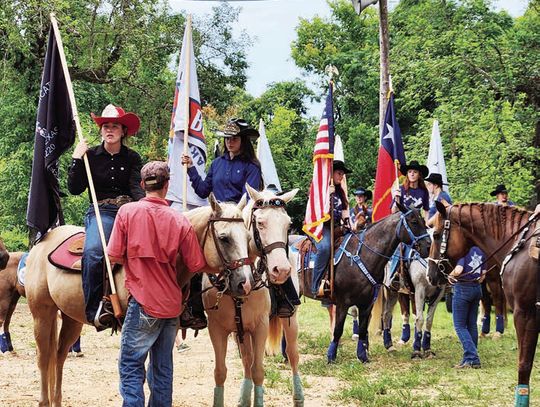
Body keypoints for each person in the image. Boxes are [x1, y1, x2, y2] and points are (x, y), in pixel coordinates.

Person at [107, 161, 206, 406]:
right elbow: (196, 264)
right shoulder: (180, 220)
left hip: (142, 303)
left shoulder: (127, 212)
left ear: (142, 185)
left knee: (131, 365)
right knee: (163, 369)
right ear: (167, 185)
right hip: (172, 306)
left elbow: (114, 255)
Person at [182, 118, 300, 319]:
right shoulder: (217, 164)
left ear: (243, 141)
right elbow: (203, 191)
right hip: (217, 218)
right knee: (194, 249)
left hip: (241, 216)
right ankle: (193, 308)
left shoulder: (252, 165)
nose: (230, 142)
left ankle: (283, 297)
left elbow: (250, 194)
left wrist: (238, 211)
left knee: (271, 245)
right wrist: (191, 168)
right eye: (227, 138)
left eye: (234, 138)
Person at [68, 104, 144, 329]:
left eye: (114, 126)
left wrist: (147, 209)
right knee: (93, 253)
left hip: (129, 211)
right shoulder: (89, 155)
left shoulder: (132, 157)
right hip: (102, 212)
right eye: (105, 126)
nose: (109, 130)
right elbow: (74, 188)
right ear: (101, 131)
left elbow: (136, 189)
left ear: (123, 131)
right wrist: (76, 160)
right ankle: (95, 310)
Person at [311, 160, 352, 297]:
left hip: (335, 227)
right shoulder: (319, 189)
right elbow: (314, 209)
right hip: (320, 226)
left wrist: (347, 224)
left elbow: (345, 210)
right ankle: (315, 285)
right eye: (339, 173)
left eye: (342, 174)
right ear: (331, 173)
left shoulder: (340, 192)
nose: (341, 177)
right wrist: (327, 195)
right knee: (324, 248)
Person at [388, 160, 430, 288]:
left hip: (417, 225)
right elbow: (393, 211)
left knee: (430, 242)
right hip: (403, 225)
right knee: (399, 247)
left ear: (419, 175)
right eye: (410, 172)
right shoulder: (401, 189)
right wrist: (395, 198)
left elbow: (426, 211)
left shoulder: (424, 192)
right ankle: (393, 276)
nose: (412, 174)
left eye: (415, 172)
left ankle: (435, 275)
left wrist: (427, 225)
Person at [449, 246, 487, 369]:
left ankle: (472, 358)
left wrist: (450, 275)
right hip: (477, 289)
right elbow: (482, 277)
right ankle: (469, 358)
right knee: (472, 325)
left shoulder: (462, 250)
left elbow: (459, 270)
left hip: (463, 289)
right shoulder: (482, 251)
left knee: (459, 326)